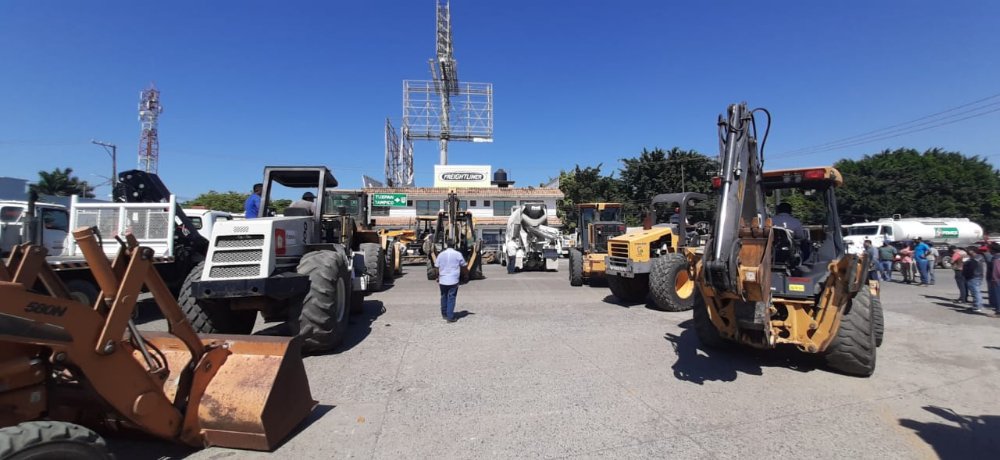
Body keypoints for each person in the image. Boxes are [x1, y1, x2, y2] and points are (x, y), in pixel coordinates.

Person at [435, 241, 466, 322]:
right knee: (451, 297)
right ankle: (450, 317)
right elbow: (463, 265)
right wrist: (465, 276)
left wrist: (437, 276)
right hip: (453, 280)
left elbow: (436, 266)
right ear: (454, 245)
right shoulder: (458, 254)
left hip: (443, 279)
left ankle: (444, 314)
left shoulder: (441, 254)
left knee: (443, 296)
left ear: (446, 245)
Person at [963, 246, 986, 313]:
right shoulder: (974, 258)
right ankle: (976, 305)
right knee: (974, 292)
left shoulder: (976, 258)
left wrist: (966, 262)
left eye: (968, 250)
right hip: (975, 276)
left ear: (972, 251)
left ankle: (977, 306)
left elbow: (971, 267)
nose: (967, 251)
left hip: (974, 277)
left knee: (975, 292)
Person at [988, 243, 1000, 314]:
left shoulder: (996, 258)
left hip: (997, 279)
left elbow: (997, 270)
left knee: (998, 295)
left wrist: (994, 279)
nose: (989, 251)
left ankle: (998, 311)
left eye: (990, 249)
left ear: (993, 250)